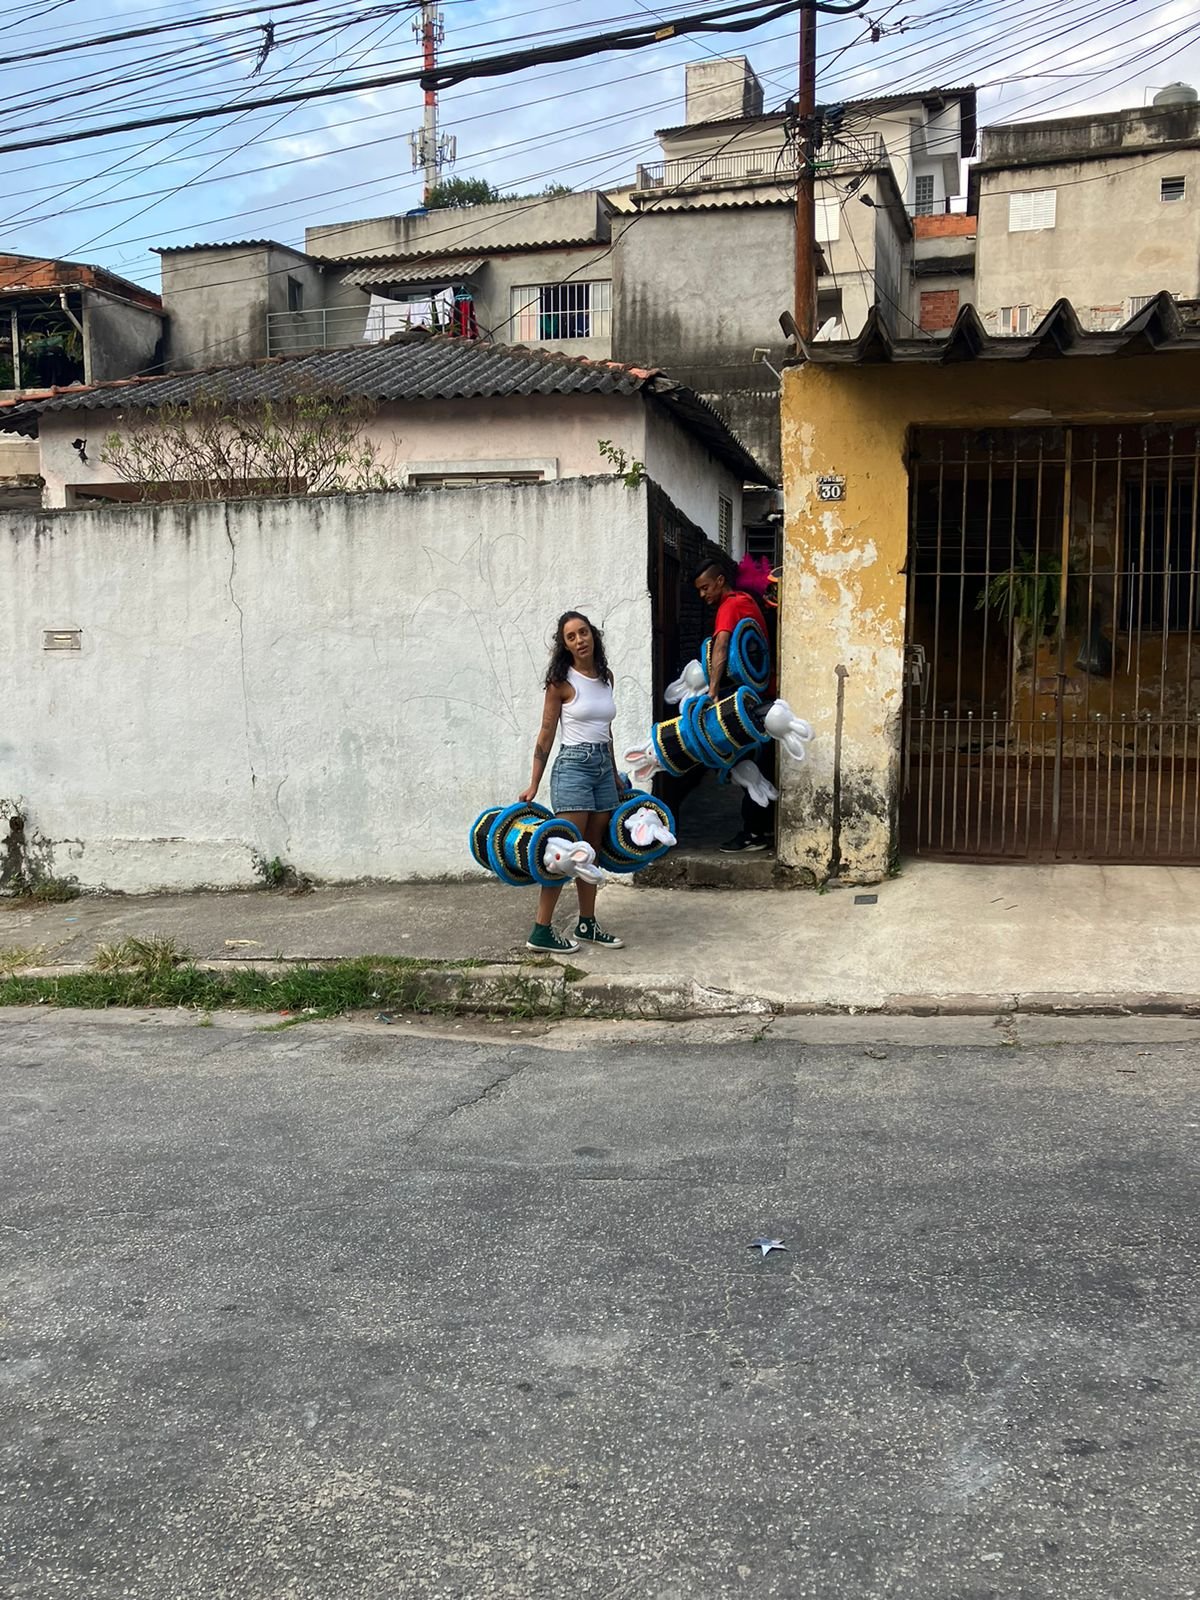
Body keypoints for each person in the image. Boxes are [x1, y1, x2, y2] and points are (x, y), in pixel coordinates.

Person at [519, 610, 625, 953]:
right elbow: (547, 731)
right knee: (565, 851)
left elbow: (606, 732)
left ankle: (587, 923)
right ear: (564, 645)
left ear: (593, 634)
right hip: (573, 768)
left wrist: (613, 771)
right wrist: (534, 783)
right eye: (571, 637)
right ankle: (541, 930)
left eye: (583, 632)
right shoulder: (561, 681)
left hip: (601, 771)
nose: (580, 640)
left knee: (591, 853)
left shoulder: (605, 676)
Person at [693, 551, 777, 854]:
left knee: (746, 766)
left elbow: (722, 646)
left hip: (753, 701)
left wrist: (713, 692)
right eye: (699, 591)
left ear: (720, 581)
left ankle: (753, 832)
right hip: (765, 693)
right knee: (761, 765)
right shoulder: (747, 601)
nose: (704, 595)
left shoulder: (730, 606)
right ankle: (763, 827)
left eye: (706, 588)